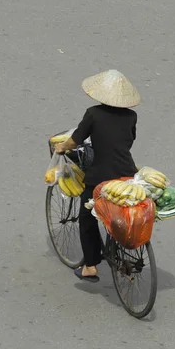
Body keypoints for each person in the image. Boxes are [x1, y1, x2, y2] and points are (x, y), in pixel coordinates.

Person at [54, 69, 140, 282]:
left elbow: (75, 140)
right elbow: (128, 141)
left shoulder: (93, 113)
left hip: (100, 175)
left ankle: (90, 266)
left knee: (87, 216)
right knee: (119, 209)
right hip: (128, 173)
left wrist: (61, 147)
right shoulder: (131, 116)